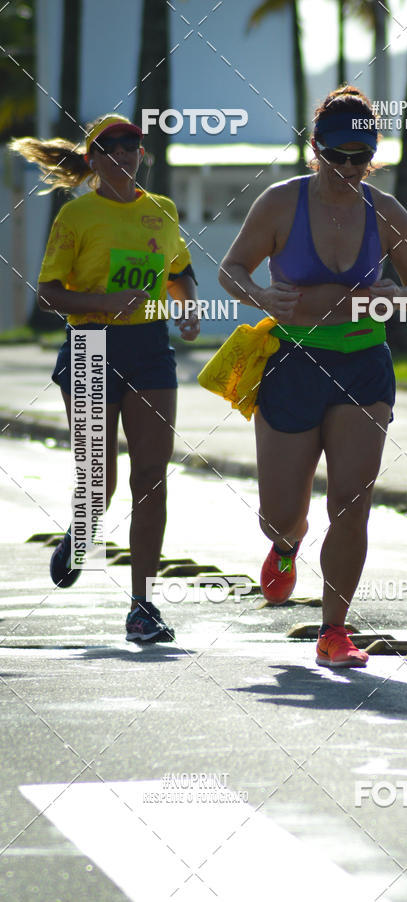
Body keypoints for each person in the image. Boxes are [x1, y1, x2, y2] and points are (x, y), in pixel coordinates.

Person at [218, 86, 407, 668]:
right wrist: (261, 293)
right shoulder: (280, 203)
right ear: (314, 149)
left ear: (373, 155)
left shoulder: (385, 211)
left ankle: (334, 631)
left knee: (352, 501)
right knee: (277, 511)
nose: (347, 169)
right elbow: (230, 269)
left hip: (363, 365)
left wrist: (399, 297)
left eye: (359, 158)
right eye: (336, 155)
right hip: (293, 363)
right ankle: (287, 544)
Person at [10, 114, 200, 643]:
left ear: (142, 154)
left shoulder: (161, 210)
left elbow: (180, 273)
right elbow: (48, 293)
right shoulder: (77, 216)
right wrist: (106, 303)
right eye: (110, 147)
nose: (123, 154)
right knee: (100, 482)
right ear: (93, 160)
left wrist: (187, 310)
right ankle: (81, 531)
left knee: (152, 478)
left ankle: (143, 605)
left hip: (149, 347)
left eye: (132, 145)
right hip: (92, 345)